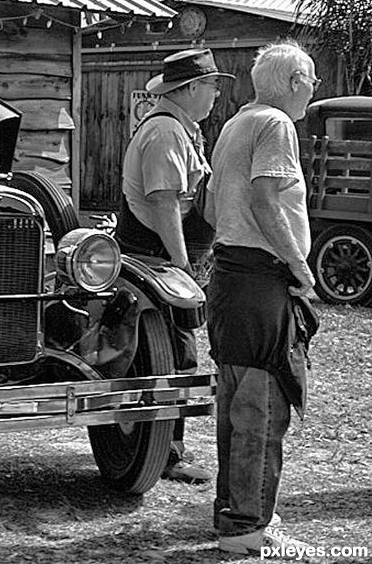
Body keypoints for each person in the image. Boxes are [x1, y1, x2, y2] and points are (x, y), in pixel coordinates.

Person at [205, 41, 317, 556]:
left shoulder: (234, 123)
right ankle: (246, 531)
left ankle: (232, 517)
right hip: (260, 280)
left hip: (229, 276)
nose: (314, 89)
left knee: (236, 406)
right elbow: (264, 195)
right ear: (295, 82)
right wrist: (296, 264)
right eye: (312, 80)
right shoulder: (277, 124)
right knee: (261, 410)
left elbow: (211, 209)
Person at [115, 48, 234, 483]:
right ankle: (166, 456)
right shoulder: (166, 133)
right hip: (155, 259)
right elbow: (164, 202)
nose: (216, 94)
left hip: (159, 255)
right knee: (173, 357)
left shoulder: (178, 129)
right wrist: (181, 264)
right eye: (210, 86)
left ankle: (164, 450)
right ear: (186, 90)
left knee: (169, 354)